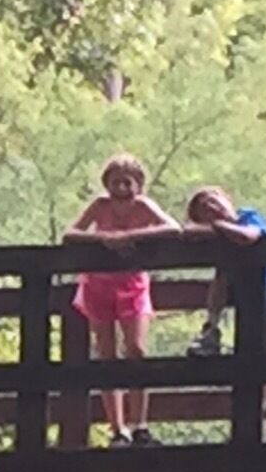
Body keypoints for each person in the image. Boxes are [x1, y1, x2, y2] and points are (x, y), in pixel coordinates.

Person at [62, 153, 180, 447]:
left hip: (132, 283)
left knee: (137, 350)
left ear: (138, 185)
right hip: (97, 283)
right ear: (107, 184)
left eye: (128, 182)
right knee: (106, 355)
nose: (122, 188)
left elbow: (173, 228)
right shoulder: (99, 206)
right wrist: (103, 239)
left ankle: (140, 424)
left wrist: (131, 235)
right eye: (115, 182)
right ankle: (118, 429)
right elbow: (70, 233)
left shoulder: (143, 206)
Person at [182, 186, 266, 359]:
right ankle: (211, 328)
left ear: (227, 199)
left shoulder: (248, 216)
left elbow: (248, 236)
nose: (212, 207)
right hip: (251, 307)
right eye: (205, 210)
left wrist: (217, 225)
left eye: (214, 200)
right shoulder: (221, 241)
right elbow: (187, 232)